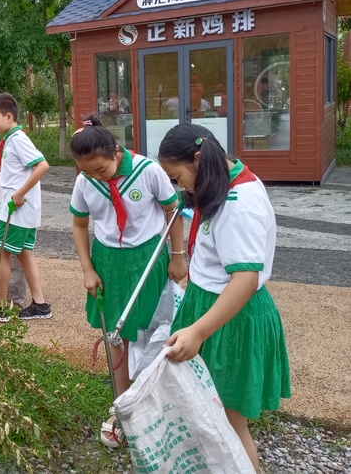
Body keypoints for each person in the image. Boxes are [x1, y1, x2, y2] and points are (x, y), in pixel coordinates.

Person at [158, 123, 290, 472]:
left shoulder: (238, 203)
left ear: (198, 158)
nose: (178, 185)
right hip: (211, 305)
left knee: (228, 420)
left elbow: (244, 280)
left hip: (230, 317)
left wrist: (199, 331)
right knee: (208, 413)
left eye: (177, 176)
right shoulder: (227, 180)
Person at [68, 114, 186, 448]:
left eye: (100, 170)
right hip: (107, 263)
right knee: (115, 337)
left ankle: (152, 404)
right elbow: (79, 226)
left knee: (151, 333)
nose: (94, 177)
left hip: (147, 259)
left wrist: (178, 256)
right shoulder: (85, 182)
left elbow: (172, 211)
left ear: (116, 152)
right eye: (86, 171)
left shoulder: (147, 171)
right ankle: (123, 408)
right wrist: (88, 269)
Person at [0, 93, 51, 322]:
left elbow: (42, 165)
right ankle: (40, 304)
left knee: (0, 252)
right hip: (22, 207)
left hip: (17, 207)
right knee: (24, 252)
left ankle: (1, 306)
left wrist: (20, 193)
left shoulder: (18, 139)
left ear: (9, 116)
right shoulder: (12, 139)